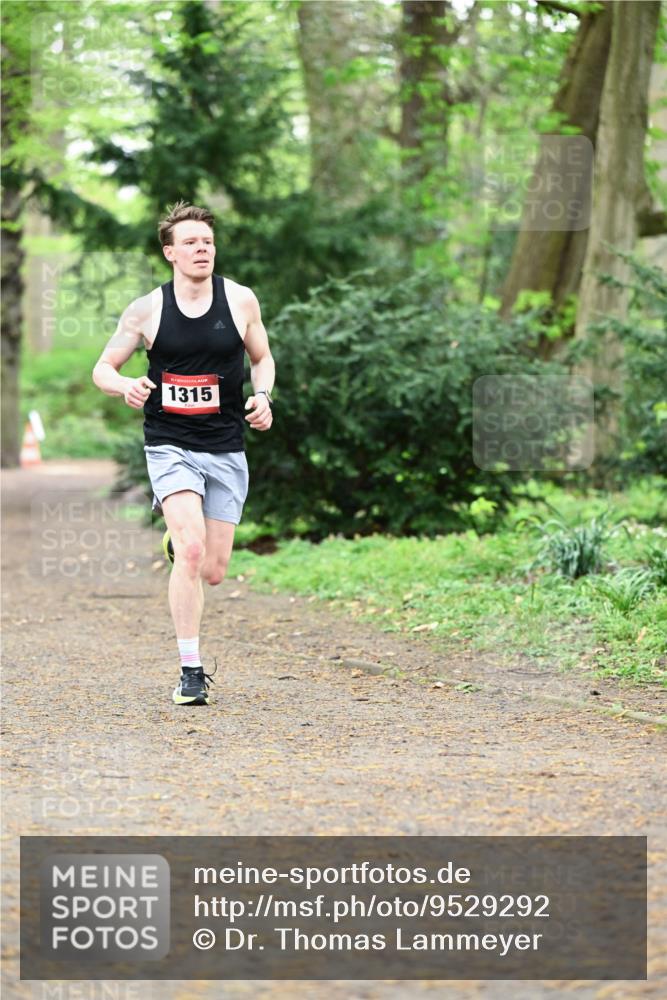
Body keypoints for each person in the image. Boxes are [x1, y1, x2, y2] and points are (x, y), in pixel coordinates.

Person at [92, 201, 275, 706]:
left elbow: (262, 358)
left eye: (208, 242)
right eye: (191, 242)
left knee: (212, 569)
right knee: (193, 551)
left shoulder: (240, 300)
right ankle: (190, 671)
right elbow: (103, 368)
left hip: (225, 445)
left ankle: (179, 543)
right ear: (170, 253)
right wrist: (125, 385)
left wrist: (263, 396)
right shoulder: (146, 309)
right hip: (169, 444)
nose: (202, 249)